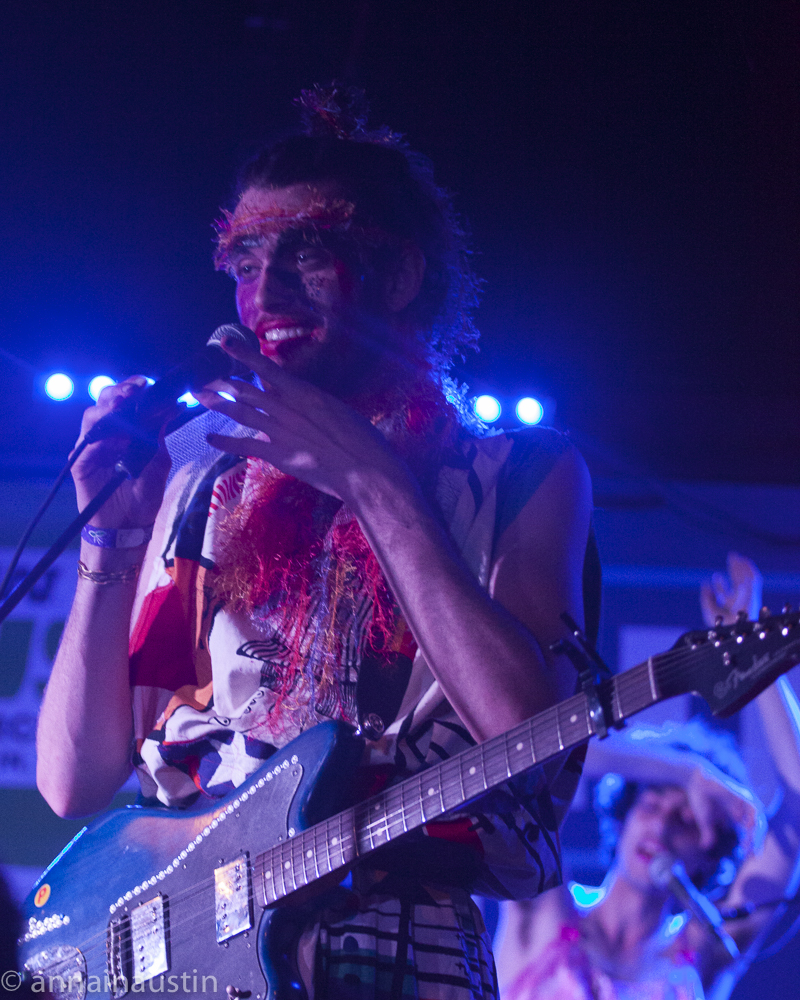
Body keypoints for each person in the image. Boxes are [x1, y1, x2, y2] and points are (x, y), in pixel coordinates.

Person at [35, 86, 594, 998]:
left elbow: (529, 735)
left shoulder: (521, 473)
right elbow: (73, 781)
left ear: (401, 276)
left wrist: (374, 481)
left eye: (310, 253)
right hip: (194, 958)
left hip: (401, 944)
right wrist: (114, 532)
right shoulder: (199, 480)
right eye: (246, 259)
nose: (265, 292)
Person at [494, 553, 800, 999]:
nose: (659, 825)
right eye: (652, 804)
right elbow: (534, 753)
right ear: (624, 816)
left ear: (711, 854)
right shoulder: (545, 907)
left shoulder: (706, 950)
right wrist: (687, 772)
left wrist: (750, 657)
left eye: (686, 821)